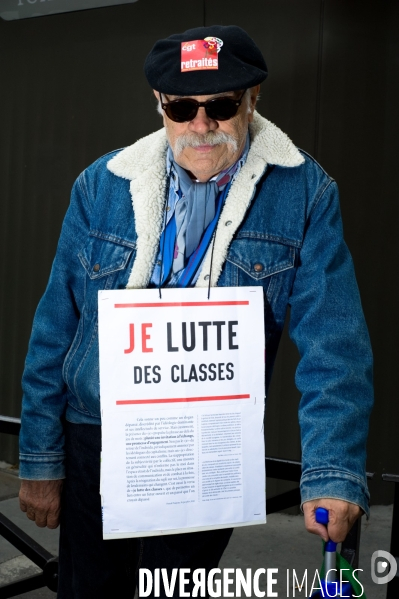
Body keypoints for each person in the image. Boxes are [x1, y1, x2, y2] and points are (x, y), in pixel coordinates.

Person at [18, 25, 373, 598]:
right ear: (160, 105)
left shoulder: (305, 194)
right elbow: (54, 328)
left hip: (207, 445)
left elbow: (337, 348)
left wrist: (331, 471)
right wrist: (39, 460)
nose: (200, 124)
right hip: (96, 439)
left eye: (221, 105)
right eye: (182, 107)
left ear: (253, 100)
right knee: (89, 591)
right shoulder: (100, 186)